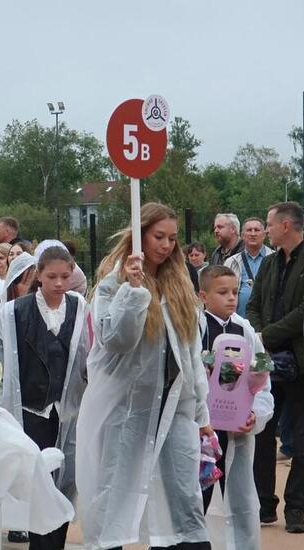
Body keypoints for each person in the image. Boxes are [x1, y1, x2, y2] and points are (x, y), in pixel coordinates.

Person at [77, 203, 212, 549]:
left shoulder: (180, 285)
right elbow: (116, 341)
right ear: (139, 236)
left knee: (183, 496)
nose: (166, 246)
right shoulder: (112, 285)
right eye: (158, 237)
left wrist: (201, 415)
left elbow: (191, 356)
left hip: (175, 408)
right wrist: (133, 292)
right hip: (126, 410)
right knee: (115, 493)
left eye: (172, 238)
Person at [0, 246, 89, 550]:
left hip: (67, 411)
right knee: (38, 484)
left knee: (64, 483)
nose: (59, 283)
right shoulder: (14, 312)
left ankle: (54, 544)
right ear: (38, 275)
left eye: (65, 276)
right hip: (31, 411)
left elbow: (87, 353)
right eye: (52, 276)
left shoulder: (78, 307)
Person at [247, 201, 304, 534]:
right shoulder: (270, 262)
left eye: (269, 223)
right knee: (262, 434)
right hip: (266, 362)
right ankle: (264, 505)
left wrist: (266, 335)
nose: (266, 229)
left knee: (303, 441)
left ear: (286, 225)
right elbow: (253, 304)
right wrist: (257, 337)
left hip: (302, 364)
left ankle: (296, 509)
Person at [197, 266, 274, 550]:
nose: (231, 298)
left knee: (237, 496)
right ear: (203, 296)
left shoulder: (245, 329)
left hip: (236, 432)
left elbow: (262, 383)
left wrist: (255, 415)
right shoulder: (195, 328)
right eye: (222, 292)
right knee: (201, 496)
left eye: (234, 291)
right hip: (203, 432)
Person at [224, 217, 274, 318]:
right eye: (249, 230)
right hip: (239, 320)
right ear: (242, 235)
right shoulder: (231, 262)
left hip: (268, 320)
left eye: (257, 230)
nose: (253, 233)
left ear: (264, 234)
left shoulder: (275, 259)